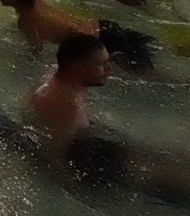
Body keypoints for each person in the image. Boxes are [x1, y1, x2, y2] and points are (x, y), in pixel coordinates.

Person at [29, 35, 190, 198]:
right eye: (100, 64)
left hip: (93, 144)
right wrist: (75, 194)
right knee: (171, 177)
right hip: (93, 161)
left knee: (170, 154)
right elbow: (56, 156)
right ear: (77, 67)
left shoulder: (55, 75)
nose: (109, 69)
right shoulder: (66, 108)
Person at [0, 0, 153, 68]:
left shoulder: (26, 21)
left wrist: (14, 60)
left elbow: (35, 51)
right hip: (104, 27)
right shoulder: (38, 3)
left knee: (153, 77)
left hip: (99, 44)